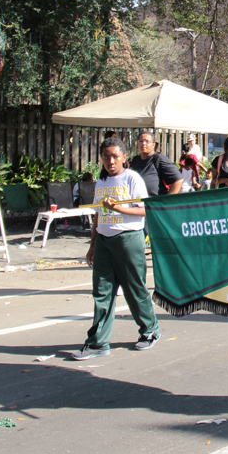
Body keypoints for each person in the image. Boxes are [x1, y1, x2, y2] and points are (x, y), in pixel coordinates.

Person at [73, 137, 160, 360]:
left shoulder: (132, 178)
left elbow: (146, 210)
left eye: (115, 157)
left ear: (123, 157)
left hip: (128, 239)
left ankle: (150, 331)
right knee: (102, 291)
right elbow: (97, 214)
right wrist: (92, 245)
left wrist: (120, 209)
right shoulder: (101, 181)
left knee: (134, 288)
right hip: (103, 239)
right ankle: (98, 342)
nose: (110, 161)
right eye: (106, 157)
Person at [128, 132, 183, 197]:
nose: (143, 143)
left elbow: (178, 180)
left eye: (147, 141)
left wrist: (167, 200)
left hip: (154, 203)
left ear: (153, 144)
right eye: (141, 141)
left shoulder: (159, 159)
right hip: (137, 203)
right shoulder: (135, 160)